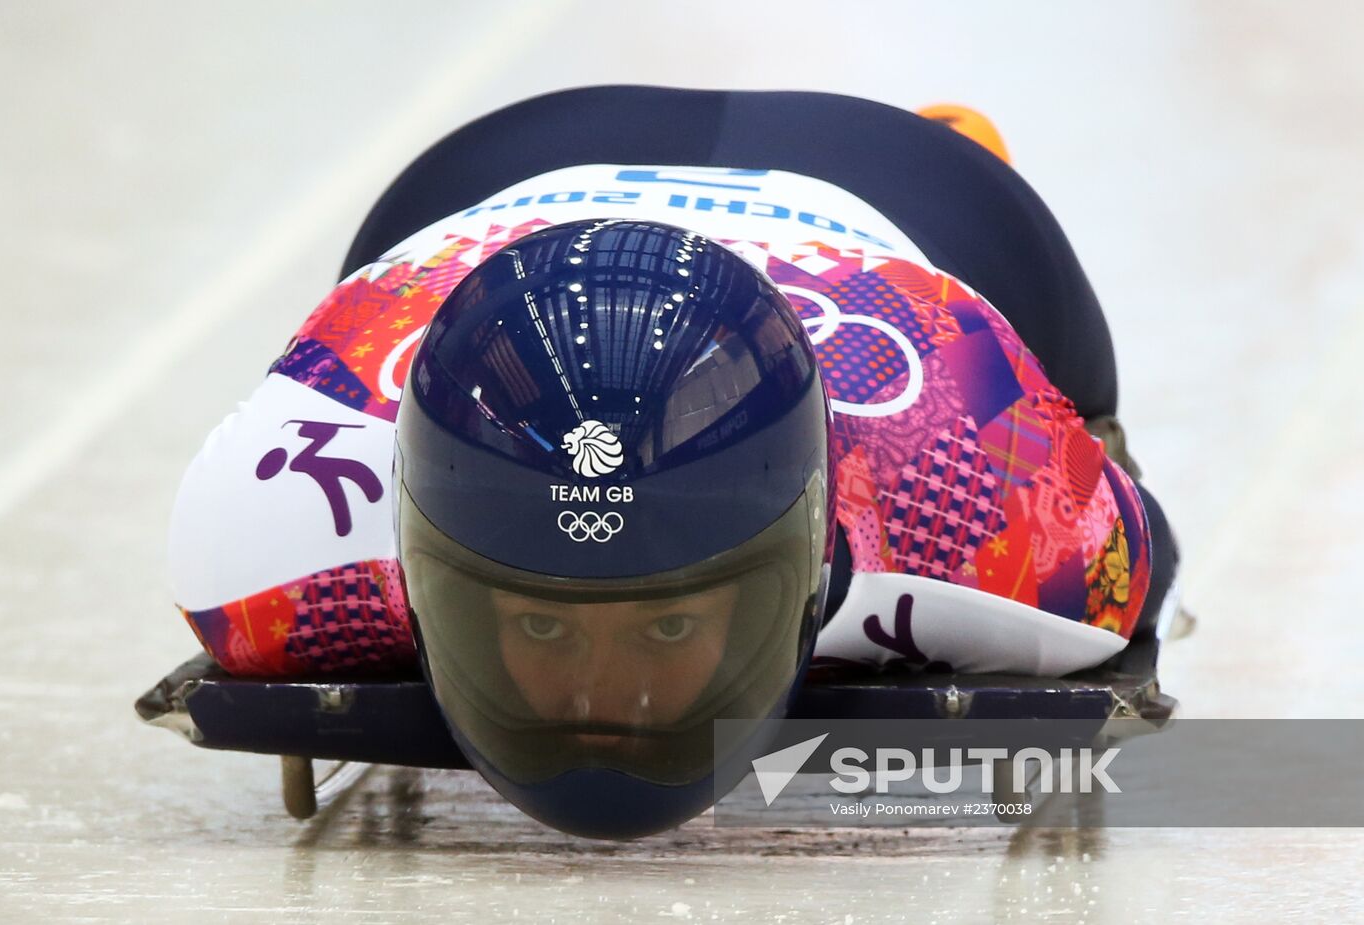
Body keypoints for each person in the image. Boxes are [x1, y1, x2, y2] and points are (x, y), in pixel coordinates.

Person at [168, 87, 1178, 838]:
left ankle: (963, 149)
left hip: (905, 198)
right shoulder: (267, 534)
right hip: (485, 193)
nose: (605, 697)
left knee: (1070, 414)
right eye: (537, 619)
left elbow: (1139, 548)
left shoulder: (972, 499)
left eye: (664, 620)